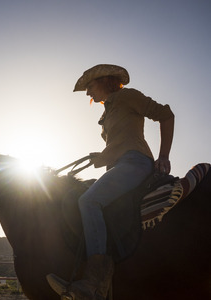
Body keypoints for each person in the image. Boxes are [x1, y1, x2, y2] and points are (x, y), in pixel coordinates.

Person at [47, 64, 175, 300]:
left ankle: (95, 283)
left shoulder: (128, 96)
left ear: (105, 81)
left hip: (135, 163)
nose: (87, 93)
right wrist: (103, 157)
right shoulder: (106, 113)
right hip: (118, 165)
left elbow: (166, 115)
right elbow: (118, 144)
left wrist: (164, 156)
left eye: (90, 86)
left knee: (88, 202)